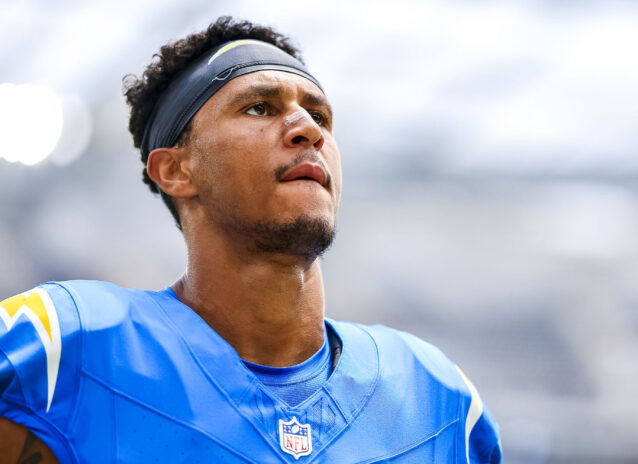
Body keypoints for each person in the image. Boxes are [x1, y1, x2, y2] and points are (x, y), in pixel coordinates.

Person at [0, 16, 502, 463]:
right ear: (175, 170)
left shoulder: (439, 399)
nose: (307, 129)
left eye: (321, 116)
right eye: (260, 108)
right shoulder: (60, 348)